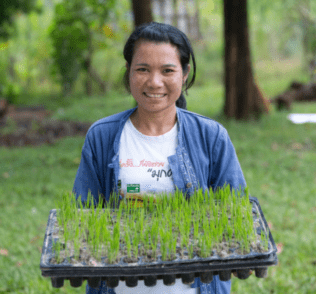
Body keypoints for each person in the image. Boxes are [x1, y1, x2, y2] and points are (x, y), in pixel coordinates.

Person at [73, 22, 247, 294]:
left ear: (185, 74)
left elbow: (236, 216)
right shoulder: (102, 137)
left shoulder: (211, 136)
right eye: (142, 69)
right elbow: (82, 220)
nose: (154, 82)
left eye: (167, 71)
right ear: (129, 72)